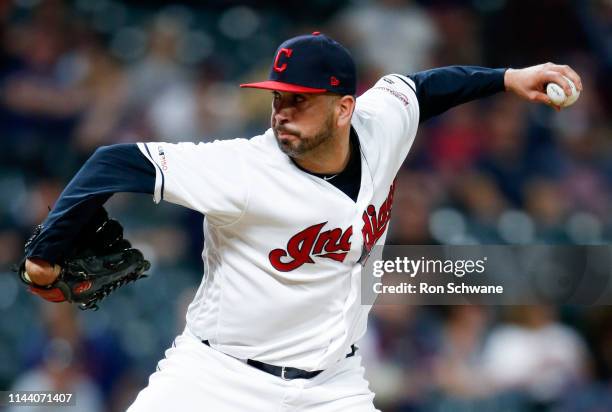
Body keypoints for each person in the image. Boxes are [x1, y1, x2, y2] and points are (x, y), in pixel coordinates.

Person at [23, 32, 581, 411]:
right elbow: (111, 162)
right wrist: (45, 254)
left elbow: (426, 88)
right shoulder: (242, 169)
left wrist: (509, 78)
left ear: (344, 107)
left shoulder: (382, 123)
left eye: (299, 100)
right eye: (277, 98)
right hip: (218, 379)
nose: (281, 113)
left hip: (333, 387)